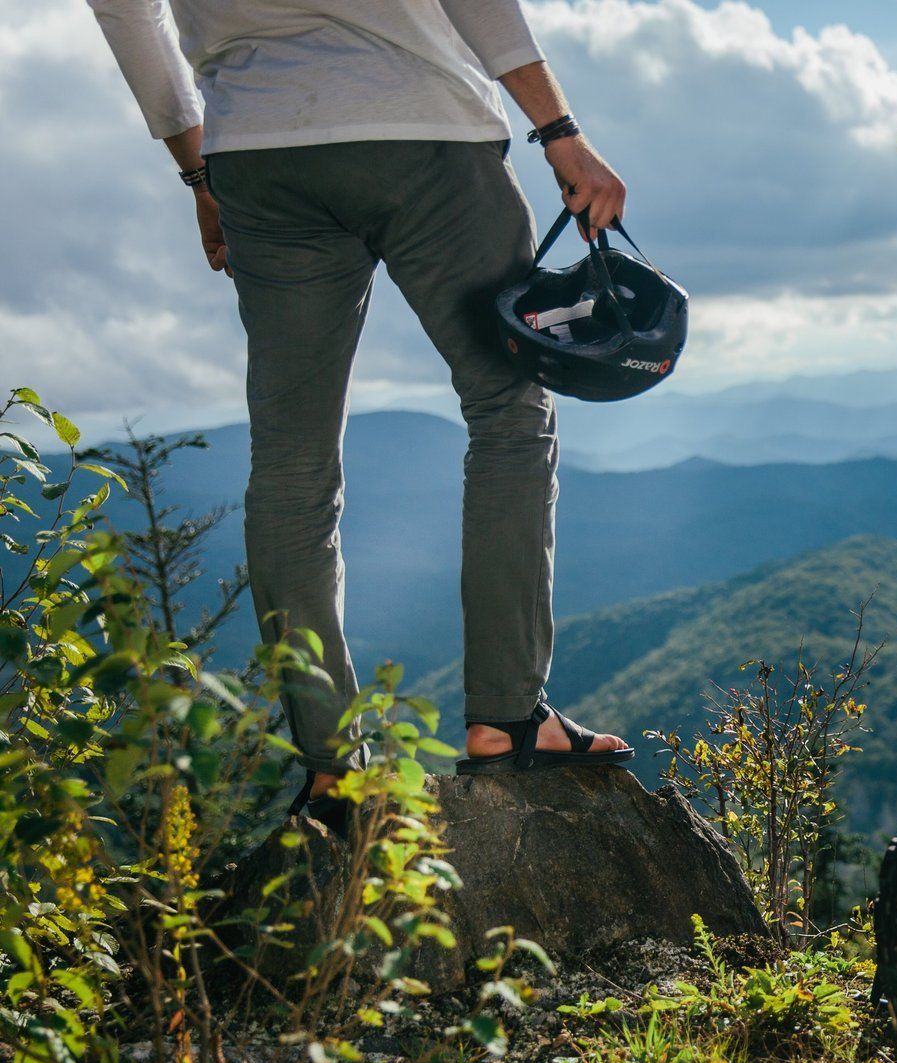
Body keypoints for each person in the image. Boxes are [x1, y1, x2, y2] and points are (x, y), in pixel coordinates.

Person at [87, 0, 637, 822]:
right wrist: (558, 129)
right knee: (508, 412)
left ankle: (332, 768)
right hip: (425, 127)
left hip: (257, 152)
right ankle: (508, 718)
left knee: (290, 465)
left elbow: (123, 9)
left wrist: (198, 169)